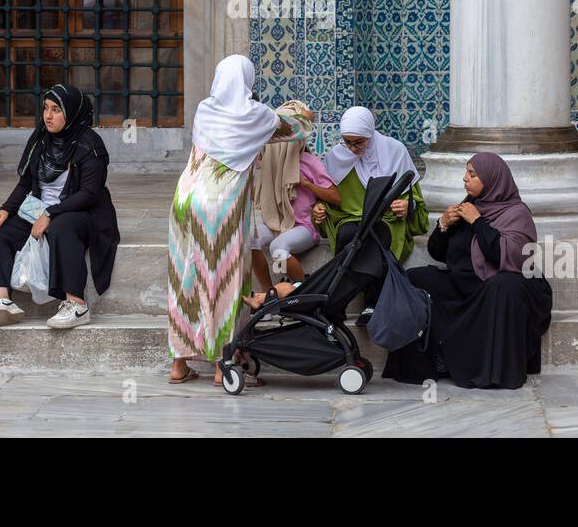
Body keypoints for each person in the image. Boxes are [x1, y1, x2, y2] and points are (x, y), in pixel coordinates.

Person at [167, 55, 304, 385]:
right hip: (221, 208)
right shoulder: (255, 116)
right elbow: (297, 130)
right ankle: (222, 366)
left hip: (184, 201)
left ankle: (179, 364)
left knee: (185, 279)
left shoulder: (205, 110)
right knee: (224, 282)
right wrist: (294, 110)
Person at [383, 153, 553, 389]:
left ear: (492, 179)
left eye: (472, 174)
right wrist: (443, 224)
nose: (465, 179)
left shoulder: (516, 214)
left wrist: (478, 223)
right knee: (415, 278)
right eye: (466, 172)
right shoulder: (469, 206)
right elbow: (439, 253)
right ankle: (426, 365)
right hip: (463, 284)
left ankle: (490, 370)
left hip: (492, 288)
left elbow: (509, 258)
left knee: (504, 286)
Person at [0, 84, 120, 329]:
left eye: (56, 110)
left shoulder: (90, 145)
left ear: (73, 113)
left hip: (82, 211)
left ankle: (76, 304)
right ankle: (2, 301)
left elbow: (89, 193)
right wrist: (5, 209)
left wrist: (51, 213)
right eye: (45, 108)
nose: (47, 115)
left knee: (61, 228)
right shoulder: (41, 140)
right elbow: (25, 184)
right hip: (41, 208)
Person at [319, 106, 429, 326]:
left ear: (370, 134)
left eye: (358, 142)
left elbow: (415, 199)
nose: (352, 148)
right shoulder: (336, 156)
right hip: (350, 219)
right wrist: (319, 209)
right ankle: (358, 302)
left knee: (373, 236)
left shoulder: (394, 151)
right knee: (351, 233)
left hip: (387, 220)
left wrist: (406, 207)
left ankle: (365, 301)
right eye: (347, 142)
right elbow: (328, 198)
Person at [249, 100, 339, 290]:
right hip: (276, 223)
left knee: (278, 248)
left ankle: (301, 290)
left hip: (303, 226)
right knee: (249, 239)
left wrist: (305, 183)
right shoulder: (268, 162)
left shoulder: (308, 162)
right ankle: (268, 292)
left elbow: (335, 196)